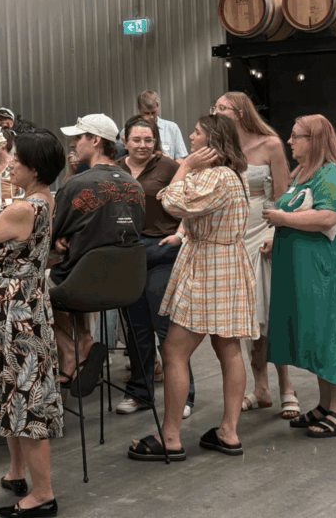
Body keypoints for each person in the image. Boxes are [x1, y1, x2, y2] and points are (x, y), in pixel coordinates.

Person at [128, 115, 256, 461]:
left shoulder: (215, 175)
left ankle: (169, 436)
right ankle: (228, 431)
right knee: (228, 348)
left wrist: (184, 165)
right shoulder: (232, 175)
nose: (190, 135)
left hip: (209, 266)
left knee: (173, 351)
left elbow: (170, 201)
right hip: (227, 263)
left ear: (212, 141)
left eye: (197, 133)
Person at [0, 129, 67, 518]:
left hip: (13, 308)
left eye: (17, 161)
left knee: (25, 401)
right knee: (14, 394)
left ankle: (43, 494)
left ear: (34, 167)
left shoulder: (22, 208)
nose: (10, 165)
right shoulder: (43, 201)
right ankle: (17, 473)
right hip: (27, 302)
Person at [262, 114, 336, 438]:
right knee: (321, 341)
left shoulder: (330, 174)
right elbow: (305, 216)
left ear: (315, 141)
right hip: (311, 275)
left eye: (296, 136)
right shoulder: (304, 175)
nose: (289, 141)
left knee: (335, 340)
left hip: (332, 274)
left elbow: (327, 216)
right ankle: (326, 405)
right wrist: (280, 238)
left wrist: (283, 218)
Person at [211, 92, 299, 420]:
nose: (216, 112)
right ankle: (260, 388)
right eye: (214, 108)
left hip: (263, 229)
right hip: (231, 236)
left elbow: (283, 194)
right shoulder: (220, 149)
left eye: (222, 108)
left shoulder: (270, 144)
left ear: (240, 112)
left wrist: (275, 233)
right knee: (246, 319)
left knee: (271, 312)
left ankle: (286, 386)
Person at [53, 114, 145, 394]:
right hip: (126, 286)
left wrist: (61, 238)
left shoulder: (75, 185)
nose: (72, 143)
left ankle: (70, 351)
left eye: (78, 137)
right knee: (74, 268)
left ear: (95, 141)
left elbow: (51, 233)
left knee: (28, 290)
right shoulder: (135, 185)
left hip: (81, 285)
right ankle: (85, 344)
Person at [115, 115, 196, 419]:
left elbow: (190, 202)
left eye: (148, 140)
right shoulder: (116, 169)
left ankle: (184, 395)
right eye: (136, 140)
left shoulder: (169, 168)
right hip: (128, 254)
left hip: (163, 251)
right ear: (125, 142)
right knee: (136, 330)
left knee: (167, 329)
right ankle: (140, 393)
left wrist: (179, 234)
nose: (142, 145)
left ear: (156, 142)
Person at [138, 91, 188, 161]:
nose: (151, 117)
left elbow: (181, 159)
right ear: (139, 110)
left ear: (157, 108)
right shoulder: (129, 131)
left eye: (153, 112)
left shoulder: (172, 128)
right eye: (146, 113)